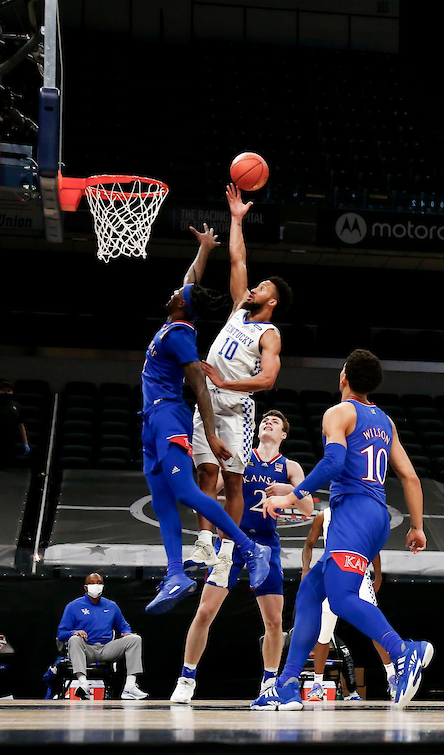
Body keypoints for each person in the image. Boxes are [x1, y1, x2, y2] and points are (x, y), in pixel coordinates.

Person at [254, 349, 432, 710]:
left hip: (353, 511)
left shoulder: (339, 412)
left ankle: (403, 651)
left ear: (345, 376)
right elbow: (411, 477)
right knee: (309, 592)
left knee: (341, 598)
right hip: (376, 515)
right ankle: (287, 684)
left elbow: (334, 462)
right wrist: (416, 527)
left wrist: (292, 495)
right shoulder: (385, 420)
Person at [139, 235, 272, 614]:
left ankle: (249, 548)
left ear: (183, 304)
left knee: (185, 491)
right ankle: (175, 574)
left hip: (169, 415)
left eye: (179, 293)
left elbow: (198, 384)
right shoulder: (176, 319)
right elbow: (190, 279)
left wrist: (210, 434)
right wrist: (205, 250)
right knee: (164, 501)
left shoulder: (181, 334)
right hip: (150, 421)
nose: (174, 292)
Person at [187, 184, 293, 576]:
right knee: (205, 474)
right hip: (206, 401)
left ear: (273, 302)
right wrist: (235, 218)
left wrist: (224, 382)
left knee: (232, 482)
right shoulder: (238, 310)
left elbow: (266, 380)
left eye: (262, 288)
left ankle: (229, 547)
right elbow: (237, 259)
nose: (254, 288)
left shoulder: (270, 334)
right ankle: (203, 543)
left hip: (235, 409)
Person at [171, 410, 306, 704]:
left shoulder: (289, 466)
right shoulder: (241, 457)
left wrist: (289, 491)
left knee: (273, 620)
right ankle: (186, 678)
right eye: (264, 420)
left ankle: (269, 683)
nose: (267, 423)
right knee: (205, 611)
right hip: (231, 541)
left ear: (283, 434)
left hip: (266, 543)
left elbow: (307, 507)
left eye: (275, 422)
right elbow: (206, 491)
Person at [301, 506, 394, 701]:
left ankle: (392, 678)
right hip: (332, 572)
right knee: (324, 633)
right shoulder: (323, 516)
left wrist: (377, 575)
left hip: (358, 572)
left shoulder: (361, 513)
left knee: (375, 628)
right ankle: (317, 684)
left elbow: (373, 547)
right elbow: (309, 544)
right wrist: (305, 569)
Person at [56, 574, 147, 700]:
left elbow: (123, 625)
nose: (96, 586)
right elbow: (61, 633)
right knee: (74, 639)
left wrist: (126, 632)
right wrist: (74, 632)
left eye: (99, 583)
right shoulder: (73, 606)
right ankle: (83, 684)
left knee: (135, 639)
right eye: (92, 583)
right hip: (85, 648)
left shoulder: (111, 606)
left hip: (107, 648)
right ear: (85, 587)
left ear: (103, 586)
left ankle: (130, 687)